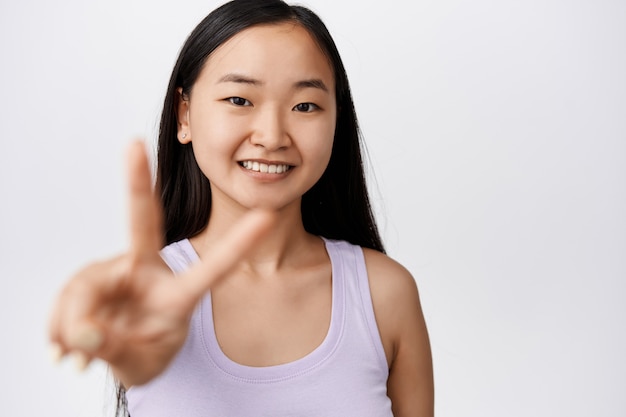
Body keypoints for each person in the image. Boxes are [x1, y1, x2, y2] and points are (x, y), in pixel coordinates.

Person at [48, 0, 434, 415]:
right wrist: (102, 324)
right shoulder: (157, 289)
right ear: (185, 115)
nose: (271, 136)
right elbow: (136, 349)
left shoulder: (384, 294)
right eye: (239, 99)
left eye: (305, 105)